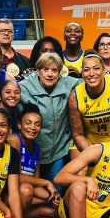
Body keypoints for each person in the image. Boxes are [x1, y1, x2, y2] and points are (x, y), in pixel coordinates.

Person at [18, 53, 82, 209]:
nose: (50, 74)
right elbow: (3, 91)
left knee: (55, 198)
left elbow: (93, 80)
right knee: (27, 194)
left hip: (57, 153)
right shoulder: (24, 86)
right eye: (45, 69)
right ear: (37, 71)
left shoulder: (69, 83)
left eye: (54, 70)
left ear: (60, 72)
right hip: (32, 152)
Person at [6, 104, 62, 218]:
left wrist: (52, 198)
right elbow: (15, 177)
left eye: (37, 124)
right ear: (19, 125)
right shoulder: (14, 140)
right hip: (7, 197)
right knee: (26, 189)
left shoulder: (37, 148)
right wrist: (46, 183)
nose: (33, 127)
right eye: (28, 122)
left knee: (58, 211)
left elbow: (35, 186)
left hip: (25, 198)